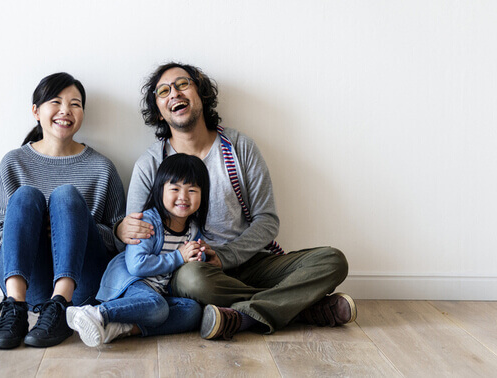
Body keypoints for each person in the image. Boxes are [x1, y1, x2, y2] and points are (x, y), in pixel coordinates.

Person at [116, 62, 356, 340]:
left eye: (183, 84)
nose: (174, 94)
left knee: (332, 260)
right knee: (192, 280)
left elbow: (267, 221)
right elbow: (135, 230)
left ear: (201, 94)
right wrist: (120, 229)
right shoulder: (151, 163)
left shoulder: (239, 147)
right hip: (196, 270)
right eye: (163, 91)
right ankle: (301, 307)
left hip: (253, 263)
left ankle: (243, 316)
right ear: (158, 112)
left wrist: (227, 256)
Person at [0, 72, 125, 349]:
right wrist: (37, 228)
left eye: (75, 104)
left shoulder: (102, 167)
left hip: (81, 287)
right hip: (29, 283)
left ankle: (60, 307)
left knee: (66, 196)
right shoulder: (14, 162)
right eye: (56, 102)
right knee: (25, 196)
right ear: (36, 111)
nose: (66, 111)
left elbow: (117, 239)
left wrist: (71, 226)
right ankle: (14, 308)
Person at [66, 153, 207, 347]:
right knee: (158, 307)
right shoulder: (148, 223)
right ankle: (96, 312)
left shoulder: (193, 228)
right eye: (175, 188)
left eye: (192, 190)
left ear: (203, 194)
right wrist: (179, 256)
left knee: (192, 311)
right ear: (160, 191)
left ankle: (120, 328)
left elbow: (194, 257)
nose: (183, 197)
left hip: (156, 293)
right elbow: (136, 266)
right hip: (131, 284)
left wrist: (201, 255)